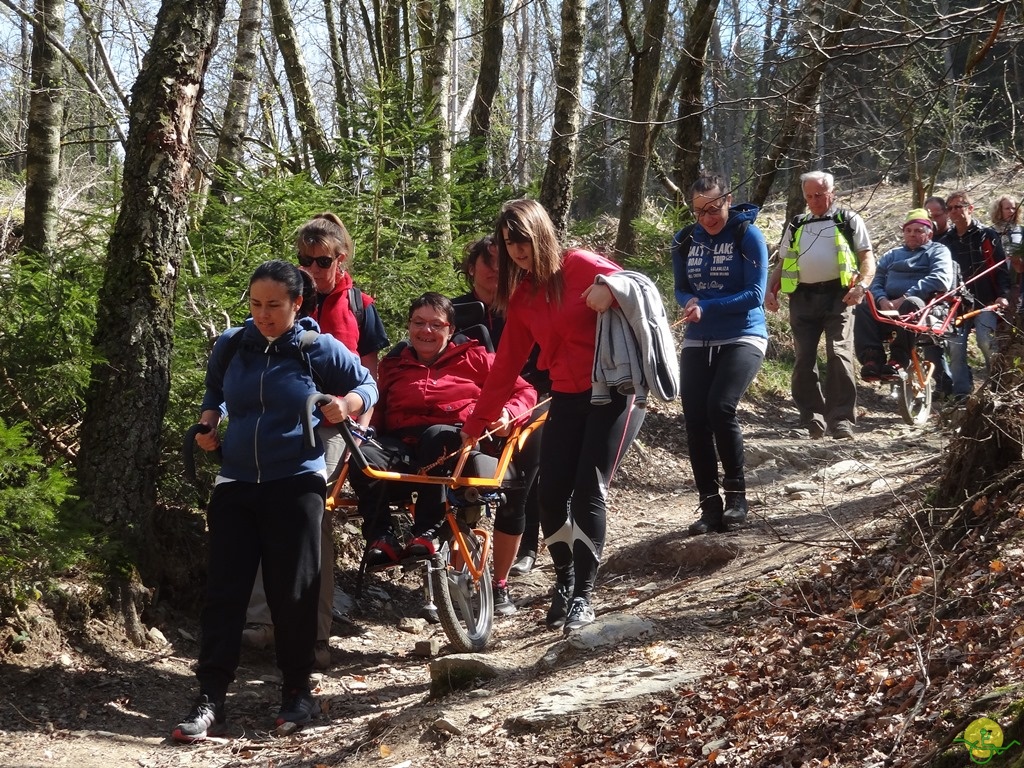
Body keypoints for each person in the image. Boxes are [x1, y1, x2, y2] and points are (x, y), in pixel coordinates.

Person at [173, 260, 378, 743]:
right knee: (225, 592)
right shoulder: (231, 343)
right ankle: (210, 698)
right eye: (256, 304)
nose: (263, 315)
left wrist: (343, 406)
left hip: (296, 482)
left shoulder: (315, 347)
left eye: (274, 306)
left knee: (295, 592)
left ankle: (296, 691)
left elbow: (367, 385)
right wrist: (209, 423)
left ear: (296, 304)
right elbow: (216, 391)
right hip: (237, 482)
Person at [461, 198, 646, 635]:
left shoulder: (580, 265)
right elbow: (505, 368)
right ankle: (564, 582)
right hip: (565, 397)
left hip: (616, 395)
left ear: (540, 232)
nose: (516, 250)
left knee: (588, 488)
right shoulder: (522, 297)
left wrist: (612, 289)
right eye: (508, 243)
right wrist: (473, 426)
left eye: (521, 239)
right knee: (549, 495)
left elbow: (641, 289)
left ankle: (584, 593)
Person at [242, 212, 390, 669]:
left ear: (340, 259)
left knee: (308, 510)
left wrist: (354, 417)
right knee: (261, 507)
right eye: (303, 260)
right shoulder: (285, 300)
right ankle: (262, 624)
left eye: (321, 261)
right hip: (281, 423)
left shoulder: (360, 306)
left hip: (336, 427)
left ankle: (312, 636)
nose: (311, 268)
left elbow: (369, 377)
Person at [346, 292, 537, 617]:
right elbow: (377, 414)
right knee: (363, 455)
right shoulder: (394, 364)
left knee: (437, 437)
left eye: (436, 324)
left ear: (450, 330)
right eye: (419, 323)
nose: (426, 331)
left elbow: (524, 391)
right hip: (403, 445)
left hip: (457, 440)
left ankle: (428, 531)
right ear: (408, 326)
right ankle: (382, 537)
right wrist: (361, 437)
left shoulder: (475, 357)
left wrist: (506, 413)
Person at [672, 175, 768, 535]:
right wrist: (690, 302)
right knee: (695, 419)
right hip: (698, 339)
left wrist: (708, 306)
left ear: (728, 200)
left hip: (744, 334)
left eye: (713, 209)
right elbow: (682, 288)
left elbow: (755, 293)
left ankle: (737, 498)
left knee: (720, 407)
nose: (708, 218)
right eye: (699, 211)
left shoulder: (747, 236)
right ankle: (709, 505)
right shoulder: (684, 240)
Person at [452, 235, 550, 578]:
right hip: (473, 401)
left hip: (529, 397)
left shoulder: (524, 305)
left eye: (502, 263)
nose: (496, 270)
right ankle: (461, 559)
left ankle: (525, 549)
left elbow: (543, 356)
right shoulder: (452, 311)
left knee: (527, 469)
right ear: (471, 267)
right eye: (488, 262)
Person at [765, 171, 875, 440]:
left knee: (839, 353)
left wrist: (862, 286)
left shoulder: (847, 220)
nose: (815, 200)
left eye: (820, 194)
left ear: (832, 193)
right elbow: (783, 262)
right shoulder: (797, 224)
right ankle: (810, 420)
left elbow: (867, 258)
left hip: (840, 295)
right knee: (804, 358)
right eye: (809, 196)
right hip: (802, 297)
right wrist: (770, 290)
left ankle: (841, 420)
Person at [854, 208, 955, 380]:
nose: (912, 235)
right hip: (888, 305)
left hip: (921, 305)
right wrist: (881, 298)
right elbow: (877, 279)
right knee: (864, 305)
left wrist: (906, 297)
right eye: (908, 231)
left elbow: (940, 278)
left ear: (929, 234)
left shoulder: (938, 251)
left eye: (918, 231)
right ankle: (872, 359)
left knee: (912, 304)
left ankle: (899, 359)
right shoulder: (892, 255)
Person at [938, 191, 1010, 398]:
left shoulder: (987, 235)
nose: (953, 212)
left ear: (970, 208)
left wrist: (1003, 294)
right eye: (950, 208)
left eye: (958, 207)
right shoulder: (945, 241)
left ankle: (997, 387)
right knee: (955, 347)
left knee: (985, 340)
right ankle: (962, 393)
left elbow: (1000, 268)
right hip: (957, 304)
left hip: (985, 300)